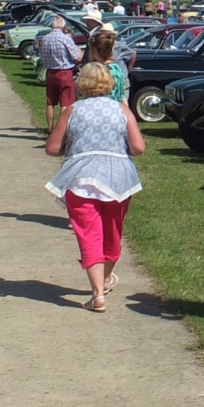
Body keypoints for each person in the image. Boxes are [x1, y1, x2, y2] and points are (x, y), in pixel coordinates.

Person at [45, 62, 146, 311]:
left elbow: (52, 148)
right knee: (113, 235)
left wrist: (74, 146)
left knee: (89, 235)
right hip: (118, 179)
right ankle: (105, 279)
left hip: (81, 178)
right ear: (109, 84)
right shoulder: (121, 109)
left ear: (82, 84)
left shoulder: (72, 110)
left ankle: (98, 293)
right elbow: (138, 147)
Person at [37, 16, 83, 130]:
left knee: (50, 102)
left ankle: (50, 129)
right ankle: (61, 129)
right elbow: (76, 58)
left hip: (50, 72)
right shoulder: (65, 39)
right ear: (63, 26)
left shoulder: (44, 39)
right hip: (65, 72)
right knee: (65, 102)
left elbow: (42, 57)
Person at [88, 26, 128, 101]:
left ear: (95, 50)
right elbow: (121, 96)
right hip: (116, 108)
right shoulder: (116, 68)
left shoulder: (97, 72)